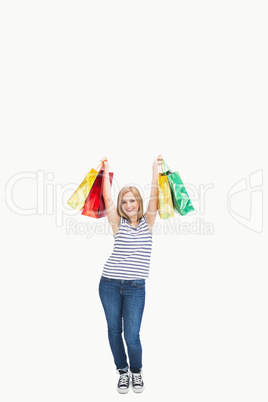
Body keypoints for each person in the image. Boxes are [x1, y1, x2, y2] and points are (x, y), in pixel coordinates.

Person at [98, 154, 163, 394]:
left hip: (136, 287)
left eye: (132, 200)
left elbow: (155, 195)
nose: (128, 205)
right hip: (109, 284)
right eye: (124, 201)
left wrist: (154, 168)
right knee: (114, 330)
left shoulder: (149, 222)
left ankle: (137, 371)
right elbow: (106, 197)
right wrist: (105, 171)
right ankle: (122, 371)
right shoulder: (118, 223)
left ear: (138, 201)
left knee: (132, 335)